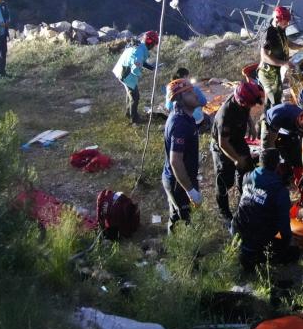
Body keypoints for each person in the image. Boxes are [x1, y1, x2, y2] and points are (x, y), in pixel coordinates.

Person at [231, 148, 300, 272]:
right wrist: (288, 242)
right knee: (295, 252)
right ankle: (259, 257)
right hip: (257, 239)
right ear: (277, 165)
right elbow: (284, 225)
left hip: (237, 230)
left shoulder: (247, 176)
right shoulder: (279, 190)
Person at [211, 81, 266, 226]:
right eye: (250, 104)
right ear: (241, 102)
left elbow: (247, 111)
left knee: (247, 170)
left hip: (237, 139)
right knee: (224, 181)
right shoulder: (226, 114)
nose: (252, 107)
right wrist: (235, 159)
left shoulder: (245, 97)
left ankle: (246, 201)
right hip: (223, 146)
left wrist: (251, 125)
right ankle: (224, 212)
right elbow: (223, 143)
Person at [162, 79, 204, 231]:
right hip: (177, 181)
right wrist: (190, 190)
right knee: (185, 219)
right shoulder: (179, 124)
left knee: (177, 214)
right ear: (179, 98)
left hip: (184, 177)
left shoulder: (188, 117)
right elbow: (175, 161)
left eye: (192, 90)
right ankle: (188, 252)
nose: (195, 95)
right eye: (189, 92)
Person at [258, 6, 303, 111]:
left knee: (278, 96)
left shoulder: (281, 29)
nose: (287, 24)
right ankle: (270, 122)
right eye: (285, 21)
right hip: (268, 73)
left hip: (277, 69)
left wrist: (301, 47)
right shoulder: (268, 33)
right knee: (275, 100)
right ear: (278, 19)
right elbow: (264, 57)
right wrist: (283, 63)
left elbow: (287, 42)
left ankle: (270, 116)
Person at [113, 31, 159, 123]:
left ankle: (128, 113)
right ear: (150, 43)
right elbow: (136, 66)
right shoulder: (139, 51)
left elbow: (141, 61)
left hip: (120, 70)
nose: (153, 46)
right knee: (135, 97)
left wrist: (151, 67)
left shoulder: (138, 45)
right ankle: (134, 119)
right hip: (126, 74)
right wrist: (138, 73)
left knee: (130, 94)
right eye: (154, 44)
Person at [263, 102, 303, 176]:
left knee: (295, 150)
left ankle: (291, 171)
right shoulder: (279, 117)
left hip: (287, 127)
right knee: (269, 154)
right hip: (270, 121)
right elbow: (270, 143)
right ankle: (269, 177)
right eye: (299, 131)